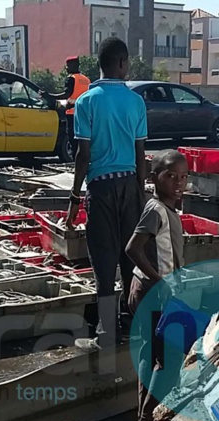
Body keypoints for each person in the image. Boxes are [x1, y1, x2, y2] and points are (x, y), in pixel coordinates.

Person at [68, 37, 148, 351]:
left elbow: (82, 156)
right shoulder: (136, 102)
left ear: (100, 65)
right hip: (130, 185)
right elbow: (141, 154)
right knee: (132, 259)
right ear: (122, 63)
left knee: (103, 264)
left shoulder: (87, 101)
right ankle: (134, 327)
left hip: (100, 189)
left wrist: (74, 197)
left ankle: (107, 335)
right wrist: (140, 196)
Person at [125, 150, 188, 421]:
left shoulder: (168, 208)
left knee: (152, 356)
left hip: (153, 289)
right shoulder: (156, 210)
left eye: (183, 177)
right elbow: (132, 248)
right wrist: (159, 278)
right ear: (154, 179)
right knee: (167, 358)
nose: (178, 182)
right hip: (153, 292)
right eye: (170, 176)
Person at [49, 56, 92, 141]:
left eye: (68, 66)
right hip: (86, 114)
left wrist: (51, 96)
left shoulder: (71, 79)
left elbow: (66, 94)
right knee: (85, 139)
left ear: (74, 66)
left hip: (72, 114)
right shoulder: (86, 80)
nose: (66, 68)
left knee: (73, 140)